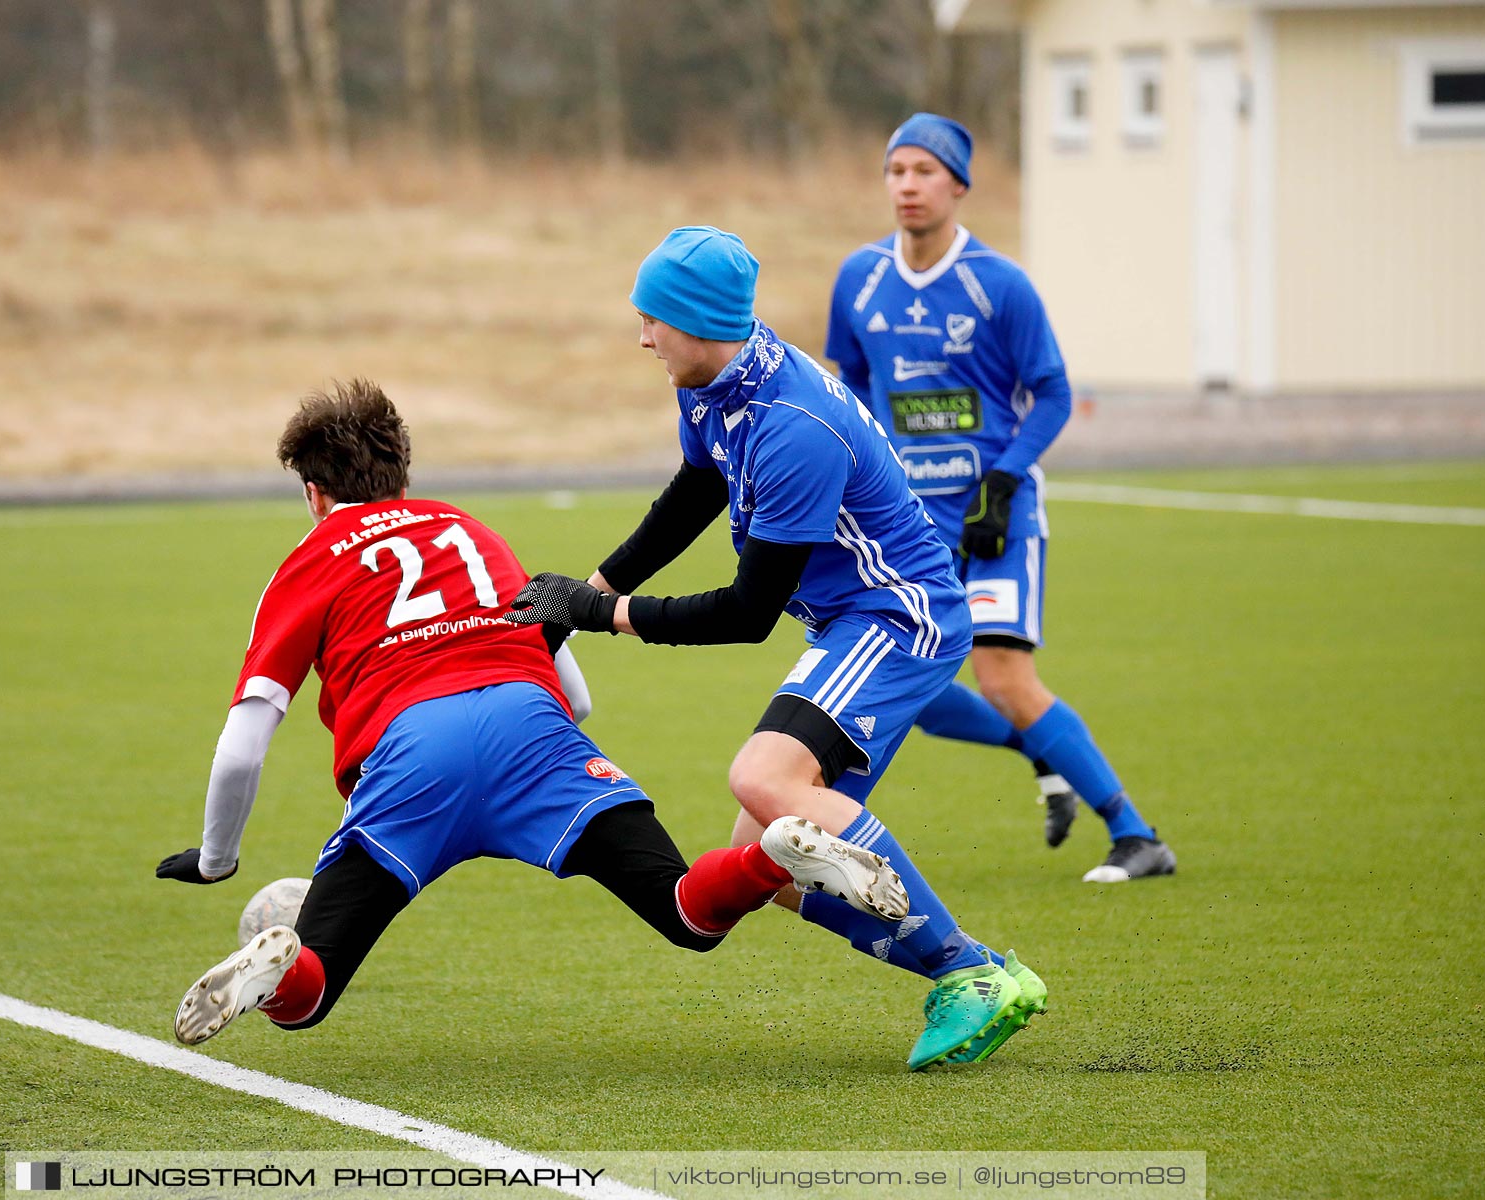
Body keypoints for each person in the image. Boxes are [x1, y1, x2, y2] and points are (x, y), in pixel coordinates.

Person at [153, 378, 909, 1046]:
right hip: (530, 728)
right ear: (402, 474)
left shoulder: (312, 557)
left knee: (307, 998)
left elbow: (245, 744)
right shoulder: (469, 531)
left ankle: (277, 964)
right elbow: (572, 692)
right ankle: (773, 855)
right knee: (684, 912)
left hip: (416, 755)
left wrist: (216, 859)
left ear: (314, 495)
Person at [506, 227, 1046, 1069]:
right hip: (849, 622)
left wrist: (605, 615)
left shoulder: (794, 426)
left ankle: (966, 970)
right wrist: (592, 589)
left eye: (654, 321)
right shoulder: (716, 378)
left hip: (898, 619)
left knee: (762, 779)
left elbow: (749, 610)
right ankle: (974, 967)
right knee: (773, 859)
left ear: (700, 322)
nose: (642, 339)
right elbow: (696, 489)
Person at [822, 114, 1176, 883]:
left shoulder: (999, 284)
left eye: (924, 171)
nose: (907, 185)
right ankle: (1043, 751)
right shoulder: (860, 279)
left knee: (1003, 678)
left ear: (958, 184)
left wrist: (1005, 479)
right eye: (896, 170)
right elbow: (845, 385)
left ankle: (1137, 835)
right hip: (905, 526)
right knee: (908, 690)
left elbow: (1052, 393)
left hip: (995, 519)